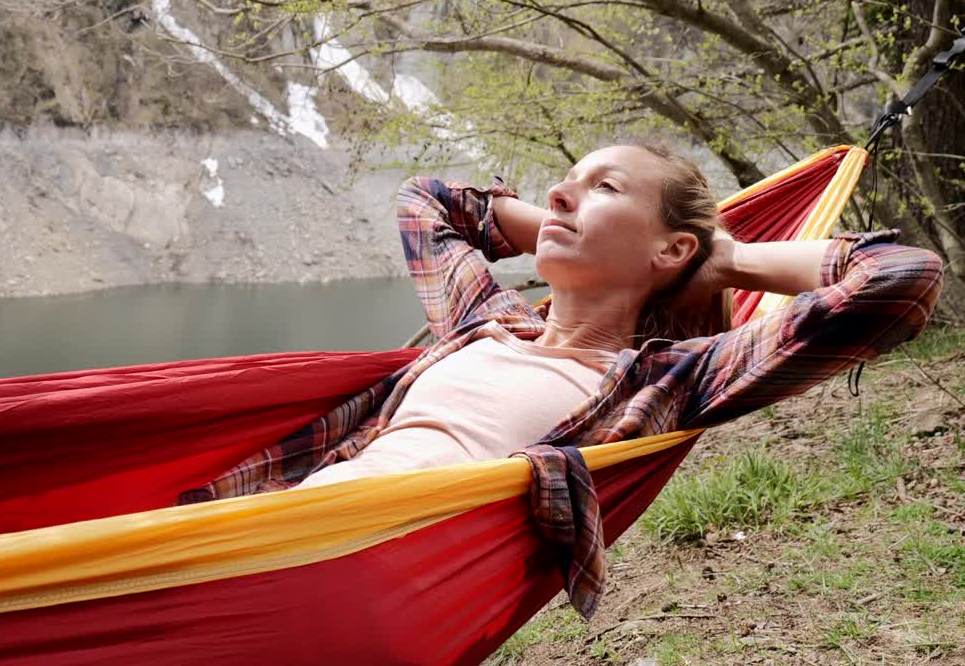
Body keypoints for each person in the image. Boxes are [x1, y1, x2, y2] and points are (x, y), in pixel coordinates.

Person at [294, 140, 944, 490]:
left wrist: (733, 259)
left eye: (603, 187)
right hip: (267, 521)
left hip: (367, 551)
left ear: (674, 248)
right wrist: (562, 218)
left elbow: (901, 281)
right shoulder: (484, 322)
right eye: (565, 182)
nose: (557, 193)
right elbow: (427, 202)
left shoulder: (663, 380)